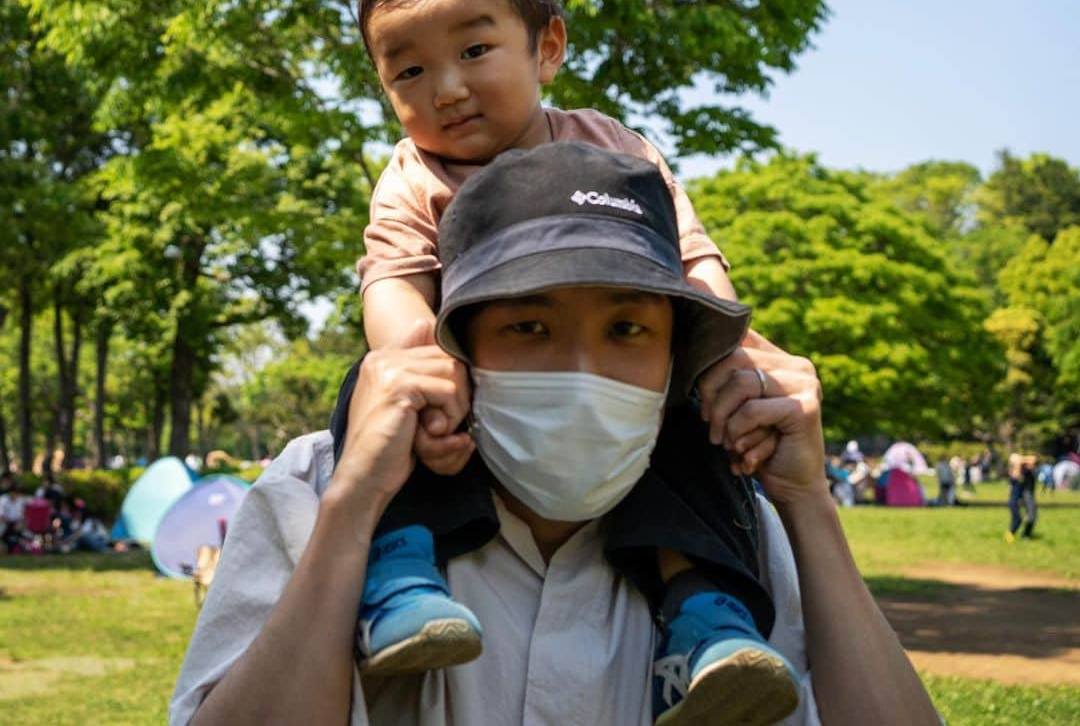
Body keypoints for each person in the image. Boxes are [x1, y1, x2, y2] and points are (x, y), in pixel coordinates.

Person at [171, 143, 939, 726]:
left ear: (676, 360)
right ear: (457, 346)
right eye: (529, 326)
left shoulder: (736, 525)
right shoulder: (318, 485)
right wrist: (351, 514)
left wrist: (807, 502)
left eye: (628, 328)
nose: (583, 371)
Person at [345, 0, 793, 720]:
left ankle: (704, 613)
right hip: (473, 401)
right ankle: (401, 578)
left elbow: (692, 258)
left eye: (474, 50)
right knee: (369, 390)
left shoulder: (612, 152)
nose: (445, 89)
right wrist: (418, 357)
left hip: (602, 386)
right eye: (407, 72)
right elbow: (391, 278)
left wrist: (729, 352)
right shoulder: (413, 176)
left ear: (547, 46)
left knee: (688, 417)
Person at [1005, 453, 1038, 542]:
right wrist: (1018, 462)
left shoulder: (1025, 468)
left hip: (1020, 498)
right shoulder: (1017, 472)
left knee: (1029, 517)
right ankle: (1012, 534)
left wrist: (1020, 459)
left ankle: (1022, 535)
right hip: (1016, 499)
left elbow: (1033, 458)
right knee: (1019, 519)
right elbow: (1016, 471)